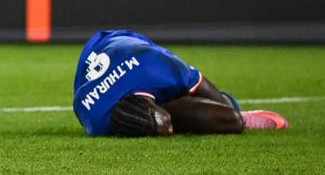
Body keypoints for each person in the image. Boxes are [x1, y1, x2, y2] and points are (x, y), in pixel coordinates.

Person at [74, 30, 289, 137]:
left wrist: (233, 111)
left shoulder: (159, 67)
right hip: (93, 77)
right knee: (220, 121)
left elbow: (198, 82)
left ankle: (238, 113)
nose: (170, 132)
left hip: (121, 42)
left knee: (231, 117)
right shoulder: (95, 119)